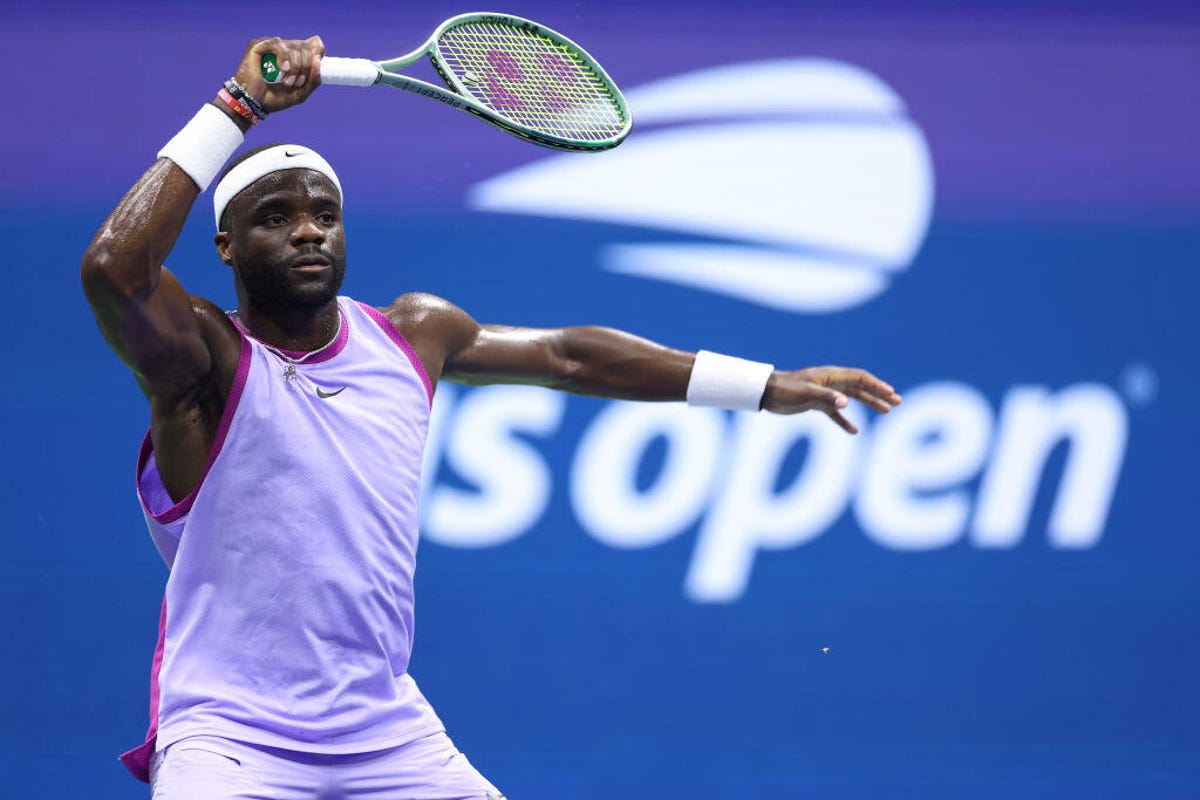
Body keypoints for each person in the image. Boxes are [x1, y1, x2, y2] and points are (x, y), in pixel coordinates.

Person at [81, 36, 902, 800]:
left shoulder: (413, 335)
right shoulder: (204, 362)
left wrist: (762, 384)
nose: (307, 232)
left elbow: (570, 357)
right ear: (224, 245)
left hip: (385, 730)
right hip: (230, 735)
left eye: (324, 215)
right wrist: (237, 106)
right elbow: (116, 268)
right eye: (275, 217)